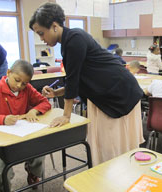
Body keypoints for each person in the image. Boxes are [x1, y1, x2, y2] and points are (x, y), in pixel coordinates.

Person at [29, 3, 144, 166]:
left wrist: (66, 115)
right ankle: (108, 179)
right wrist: (56, 93)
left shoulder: (74, 39)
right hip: (106, 92)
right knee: (103, 144)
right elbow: (79, 79)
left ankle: (120, 179)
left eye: (41, 33)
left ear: (54, 26)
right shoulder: (68, 41)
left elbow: (73, 79)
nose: (41, 38)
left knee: (114, 145)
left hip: (118, 91)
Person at [0, 60, 51, 192]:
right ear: (8, 73)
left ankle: (32, 172)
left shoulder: (27, 89)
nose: (19, 86)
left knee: (39, 153)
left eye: (24, 83)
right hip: (0, 141)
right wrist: (2, 119)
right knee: (0, 167)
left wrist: (34, 110)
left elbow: (45, 102)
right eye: (17, 80)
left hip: (22, 136)